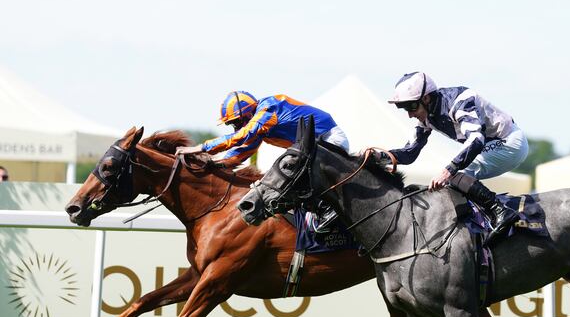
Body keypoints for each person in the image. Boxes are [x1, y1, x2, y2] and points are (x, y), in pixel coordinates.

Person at [382, 72, 528, 244]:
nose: (409, 114)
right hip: (492, 145)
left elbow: (476, 140)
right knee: (455, 177)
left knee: (456, 175)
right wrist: (380, 156)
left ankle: (500, 211)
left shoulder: (459, 102)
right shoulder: (427, 117)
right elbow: (410, 153)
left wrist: (448, 170)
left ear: (427, 99)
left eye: (410, 106)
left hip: (509, 142)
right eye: (404, 108)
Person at [176, 90, 349, 229]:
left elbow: (241, 137)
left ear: (247, 113)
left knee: (295, 175)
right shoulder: (260, 123)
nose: (235, 127)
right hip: (313, 146)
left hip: (329, 139)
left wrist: (200, 147)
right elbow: (243, 151)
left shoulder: (268, 111)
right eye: (232, 124)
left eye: (236, 122)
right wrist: (214, 165)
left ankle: (329, 211)